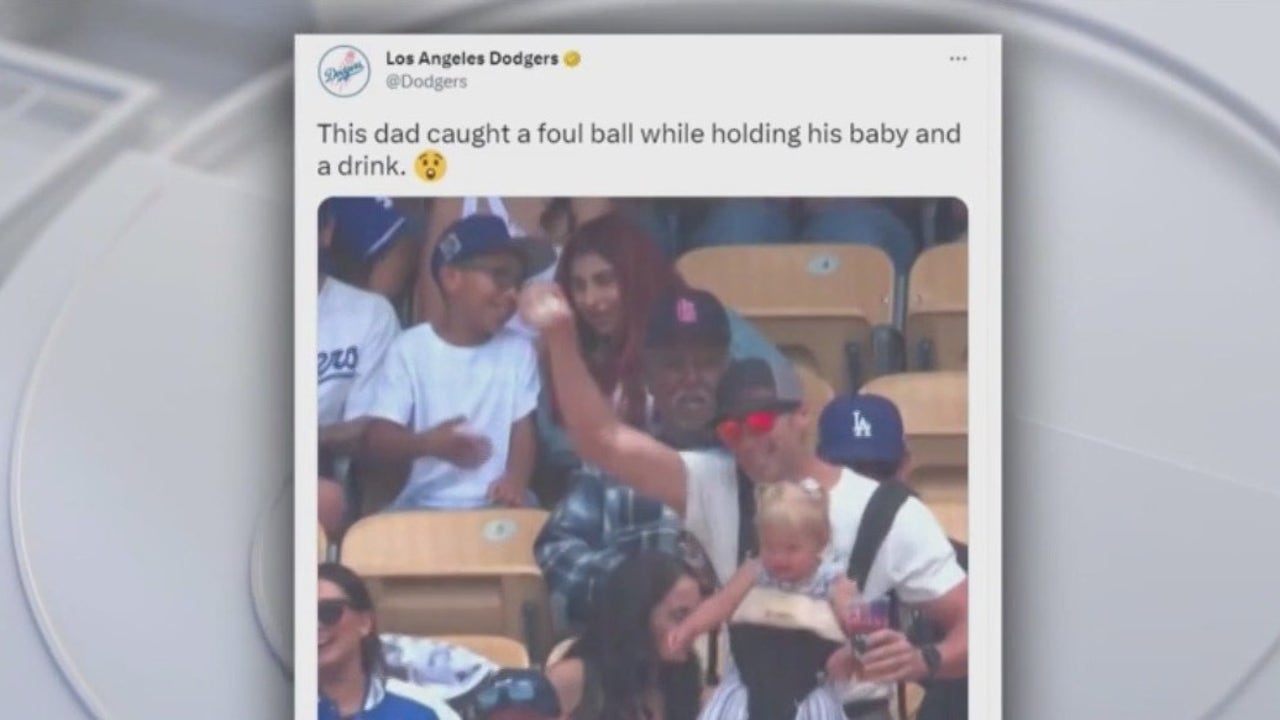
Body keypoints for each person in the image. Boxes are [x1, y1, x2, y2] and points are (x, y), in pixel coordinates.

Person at [519, 282, 967, 720]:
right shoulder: (716, 485)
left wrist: (927, 659)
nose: (749, 441)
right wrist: (559, 337)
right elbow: (603, 440)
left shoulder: (886, 511)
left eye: (760, 420)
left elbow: (978, 622)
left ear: (801, 416)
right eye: (733, 430)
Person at [350, 214, 555, 510]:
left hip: (497, 504)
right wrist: (429, 444)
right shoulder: (410, 348)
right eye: (499, 276)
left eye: (517, 282)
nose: (512, 293)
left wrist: (516, 480)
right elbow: (378, 438)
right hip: (421, 505)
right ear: (451, 278)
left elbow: (524, 431)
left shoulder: (518, 351)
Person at [816, 393, 968, 720]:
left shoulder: (955, 566)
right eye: (850, 472)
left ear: (906, 464)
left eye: (877, 473)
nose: (864, 491)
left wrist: (924, 661)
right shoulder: (785, 552)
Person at [668, 480, 852, 719]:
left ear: (820, 541)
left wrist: (853, 649)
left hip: (807, 697)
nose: (779, 558)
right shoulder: (754, 572)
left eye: (791, 549)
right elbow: (721, 603)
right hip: (743, 694)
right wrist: (689, 628)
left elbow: (870, 621)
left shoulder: (833, 581)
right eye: (770, 547)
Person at [317, 197, 407, 536]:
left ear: (326, 232)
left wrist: (314, 438)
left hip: (319, 484)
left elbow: (371, 428)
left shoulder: (368, 313)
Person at [545, 552, 705, 720]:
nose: (693, 628)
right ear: (638, 615)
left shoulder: (685, 683)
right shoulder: (571, 680)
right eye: (679, 616)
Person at [318, 562, 459, 720]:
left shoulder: (422, 710)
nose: (316, 625)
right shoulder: (287, 708)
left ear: (365, 623)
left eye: (328, 611)